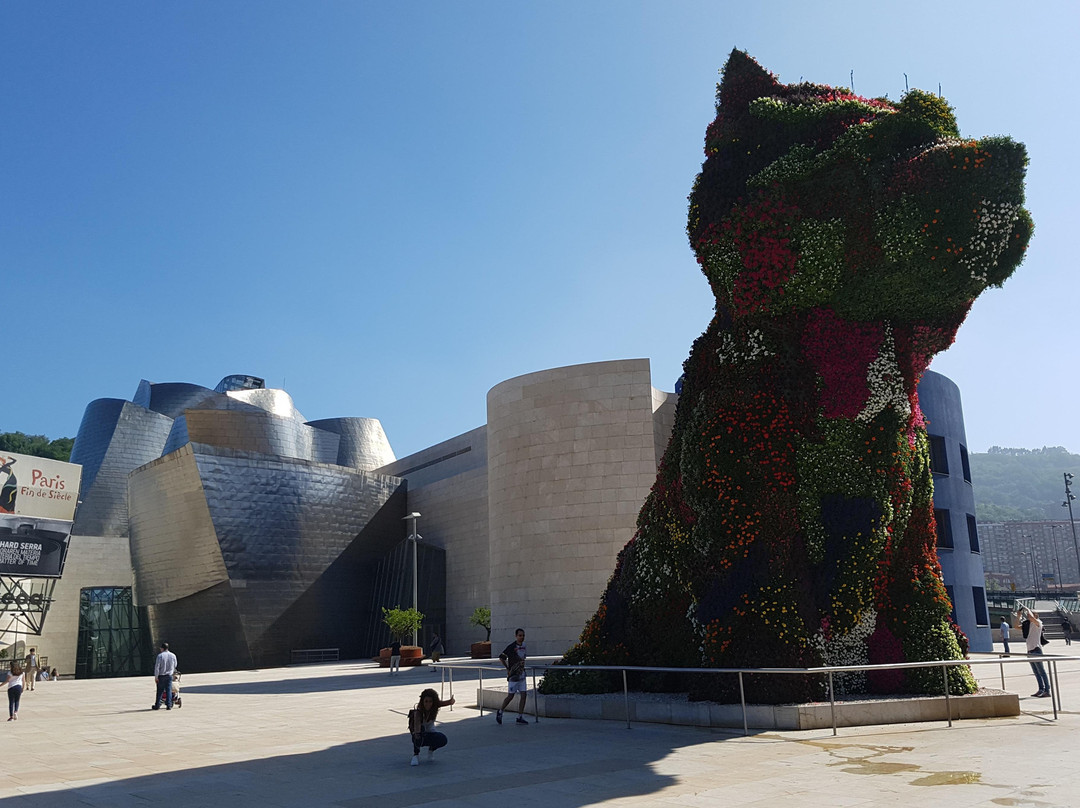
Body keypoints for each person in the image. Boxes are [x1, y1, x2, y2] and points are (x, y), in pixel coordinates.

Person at [408, 687, 455, 766]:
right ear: (422, 701)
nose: (428, 704)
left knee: (442, 739)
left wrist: (451, 701)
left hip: (431, 732)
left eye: (430, 701)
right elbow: (417, 728)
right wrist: (417, 736)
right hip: (419, 733)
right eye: (426, 701)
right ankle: (416, 755)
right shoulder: (418, 713)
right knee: (418, 736)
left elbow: (444, 703)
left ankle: (431, 750)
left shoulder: (434, 707)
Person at [495, 628, 528, 725]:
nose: (521, 637)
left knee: (524, 695)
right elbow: (501, 657)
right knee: (510, 696)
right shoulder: (511, 647)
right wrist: (508, 668)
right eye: (520, 635)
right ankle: (500, 711)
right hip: (513, 676)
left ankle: (520, 716)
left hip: (522, 674)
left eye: (523, 635)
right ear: (516, 636)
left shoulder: (524, 646)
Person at [1020, 607, 1052, 698]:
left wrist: (1027, 609)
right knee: (1036, 672)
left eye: (1031, 614)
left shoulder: (1039, 623)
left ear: (1036, 616)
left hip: (1036, 650)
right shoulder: (1029, 625)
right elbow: (1015, 626)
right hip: (1029, 650)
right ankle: (1041, 689)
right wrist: (1018, 616)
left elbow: (1030, 617)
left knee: (1041, 671)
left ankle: (1047, 690)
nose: (1028, 616)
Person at [152, 642, 178, 710]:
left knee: (160, 691)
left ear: (162, 648)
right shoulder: (173, 655)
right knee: (168, 690)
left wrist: (156, 677)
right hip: (169, 675)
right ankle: (169, 705)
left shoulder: (160, 656)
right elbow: (175, 665)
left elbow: (157, 667)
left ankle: (157, 705)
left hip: (161, 675)